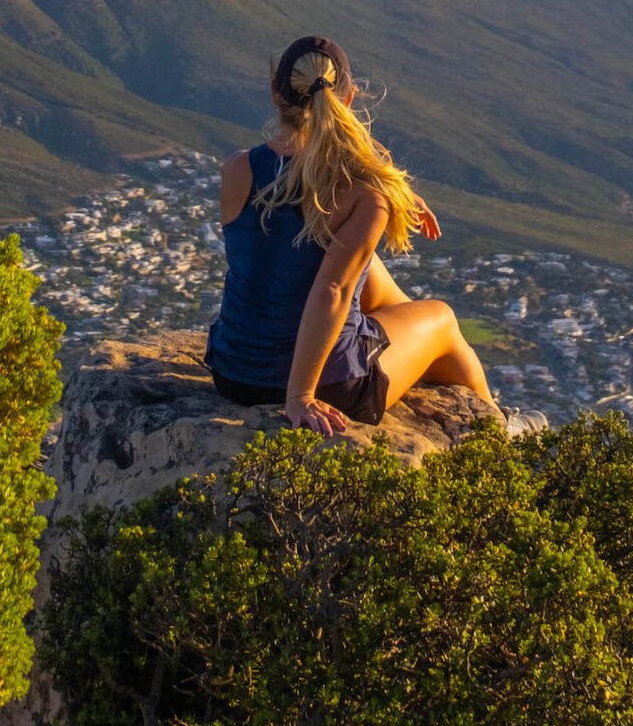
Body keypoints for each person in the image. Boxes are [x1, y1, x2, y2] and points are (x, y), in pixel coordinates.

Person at [207, 34, 492, 437]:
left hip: (234, 375)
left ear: (275, 93)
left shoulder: (237, 169)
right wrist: (300, 397)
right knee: (442, 319)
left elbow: (274, 250)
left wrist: (390, 187)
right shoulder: (363, 195)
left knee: (366, 266)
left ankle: (410, 355)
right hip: (331, 386)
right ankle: (499, 429)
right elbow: (332, 292)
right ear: (349, 98)